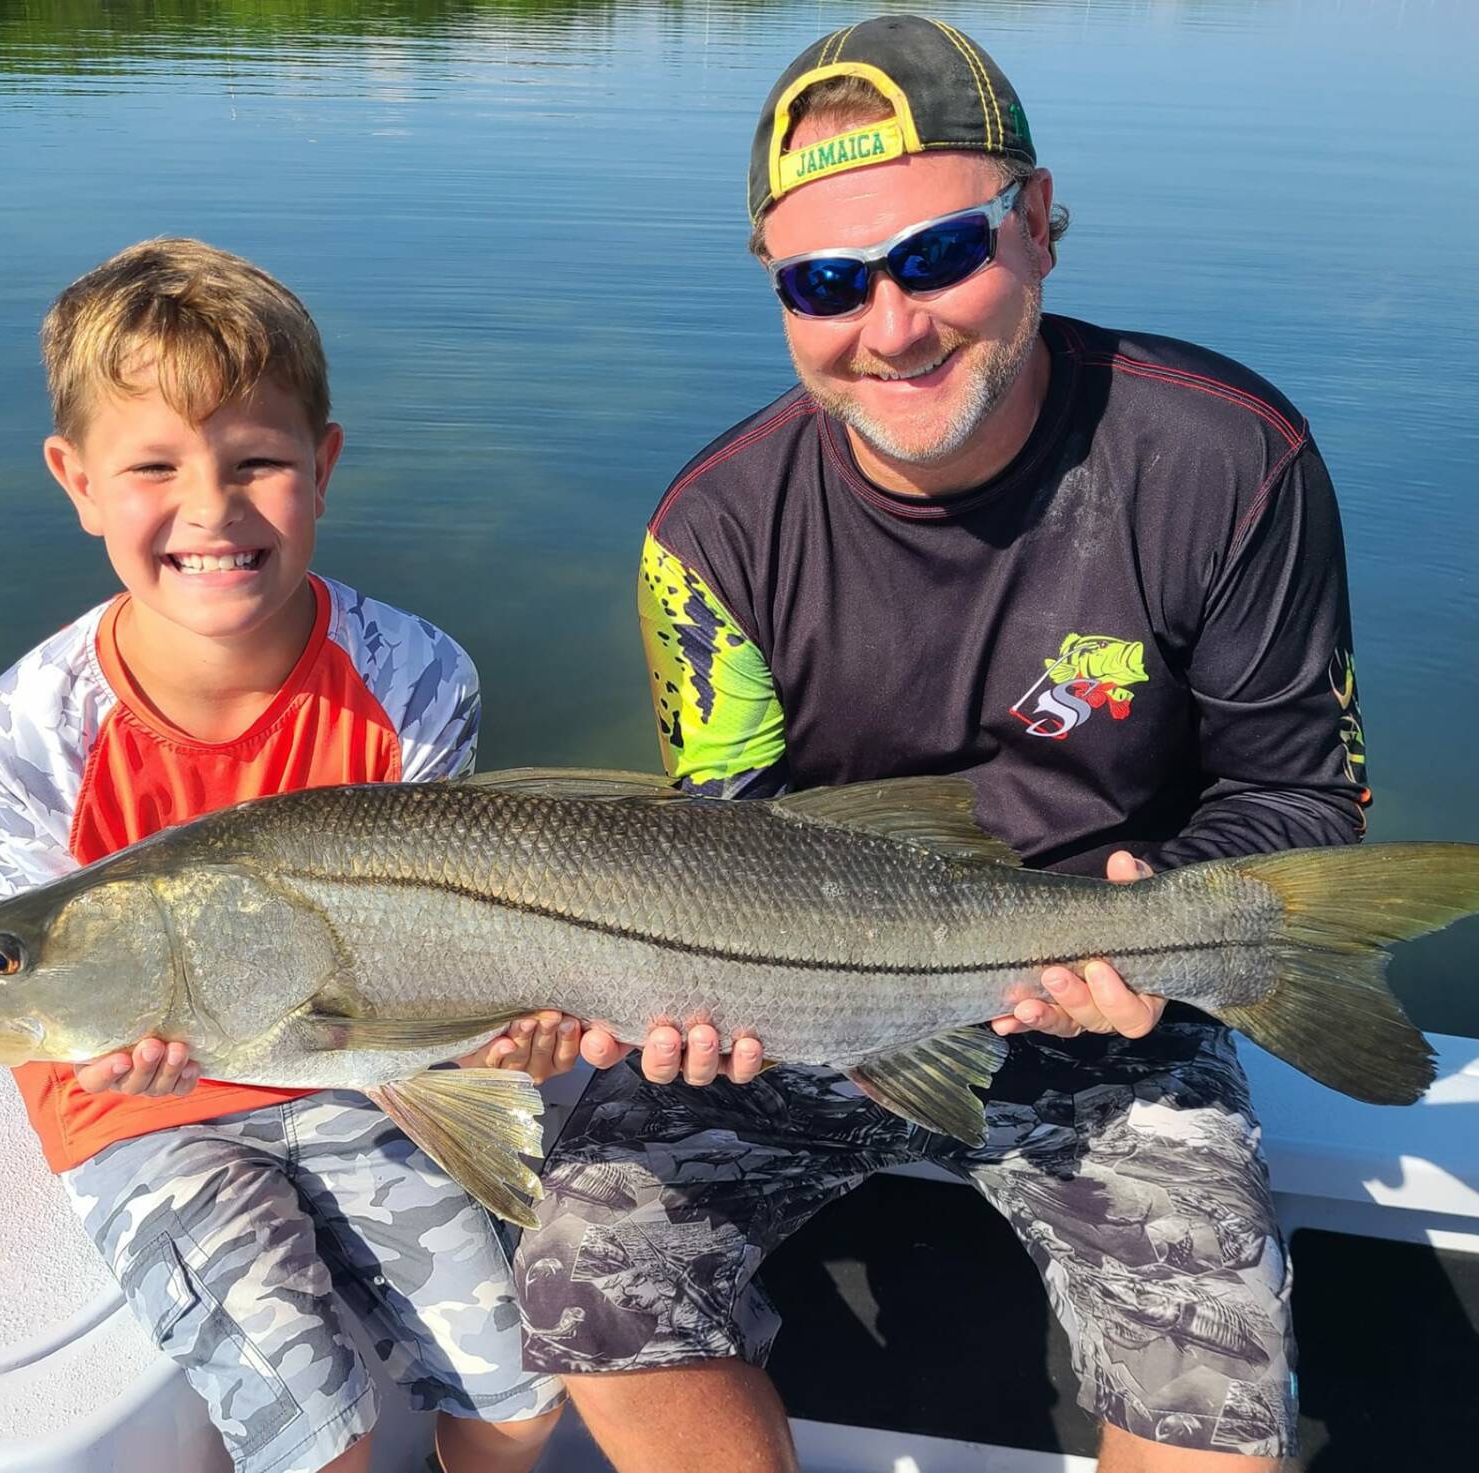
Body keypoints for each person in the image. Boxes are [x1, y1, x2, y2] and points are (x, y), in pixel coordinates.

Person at [518, 15, 1372, 1472]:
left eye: (939, 254)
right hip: (789, 1015)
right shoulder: (708, 537)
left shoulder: (1230, 463)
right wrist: (696, 1004)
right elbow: (719, 848)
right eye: (829, 282)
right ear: (779, 293)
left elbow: (1300, 799)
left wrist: (1145, 926)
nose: (893, 324)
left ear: (1037, 224)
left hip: (1109, 1006)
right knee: (581, 1266)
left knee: (1214, 1384)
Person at [0, 238, 570, 1473]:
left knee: (524, 1393)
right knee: (315, 1429)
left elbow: (444, 948)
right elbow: (33, 991)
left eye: (258, 463)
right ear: (75, 482)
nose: (211, 510)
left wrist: (514, 1029)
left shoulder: (414, 676)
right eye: (151, 468)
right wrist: (109, 1057)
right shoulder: (26, 732)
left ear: (323, 466)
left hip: (369, 1073)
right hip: (147, 1114)